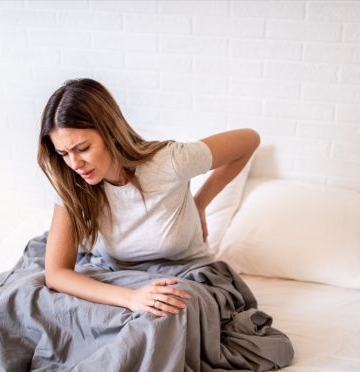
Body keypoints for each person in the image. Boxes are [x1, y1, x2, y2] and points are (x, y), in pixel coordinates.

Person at [37, 78, 259, 318]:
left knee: (163, 317)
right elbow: (56, 274)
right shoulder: (72, 181)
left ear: (110, 131)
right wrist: (131, 298)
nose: (74, 164)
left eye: (83, 148)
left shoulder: (170, 161)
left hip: (184, 275)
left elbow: (250, 140)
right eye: (63, 153)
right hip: (115, 279)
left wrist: (200, 203)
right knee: (39, 308)